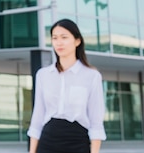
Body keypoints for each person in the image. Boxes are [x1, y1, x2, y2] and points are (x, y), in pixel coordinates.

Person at [27, 19, 106, 153]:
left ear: (77, 41)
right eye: (54, 38)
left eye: (64, 37)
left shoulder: (92, 76)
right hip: (47, 142)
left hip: (78, 142)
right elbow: (37, 117)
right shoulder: (43, 75)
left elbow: (96, 122)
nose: (59, 42)